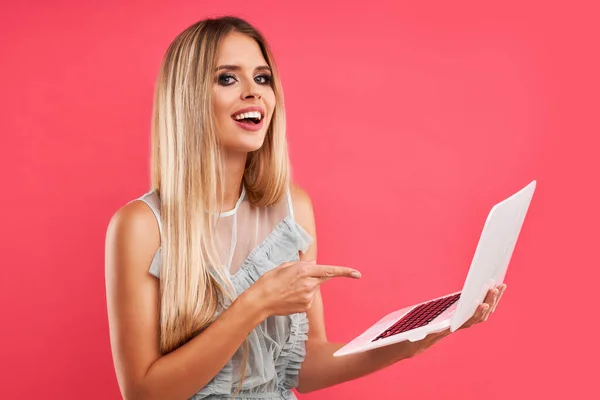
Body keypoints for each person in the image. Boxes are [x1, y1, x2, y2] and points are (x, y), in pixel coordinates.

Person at [104, 16, 506, 400]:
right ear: (187, 98)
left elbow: (305, 369)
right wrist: (256, 303)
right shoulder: (141, 225)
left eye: (262, 78)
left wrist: (413, 340)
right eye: (228, 78)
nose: (254, 91)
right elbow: (143, 393)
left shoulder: (292, 209)